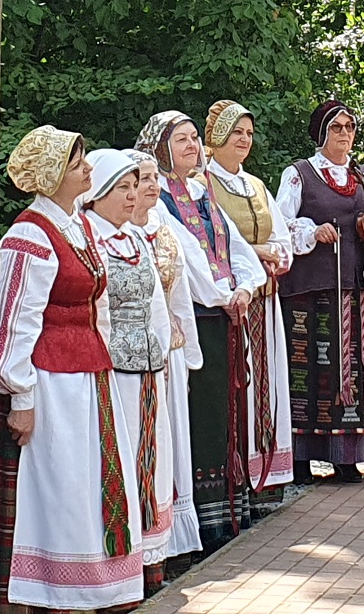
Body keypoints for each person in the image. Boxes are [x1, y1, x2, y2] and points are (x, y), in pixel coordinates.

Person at [0, 128, 143, 612]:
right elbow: (13, 321)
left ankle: (94, 586)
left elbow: (99, 304)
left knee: (89, 480)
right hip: (51, 382)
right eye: (78, 164)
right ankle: (54, 589)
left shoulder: (75, 226)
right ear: (53, 175)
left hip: (88, 376)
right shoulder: (30, 234)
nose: (89, 169)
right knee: (60, 484)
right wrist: (21, 396)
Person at [142, 110, 267, 547]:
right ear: (161, 149)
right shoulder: (157, 199)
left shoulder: (201, 191)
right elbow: (188, 258)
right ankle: (209, 519)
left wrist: (248, 285)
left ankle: (233, 507)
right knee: (206, 416)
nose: (192, 146)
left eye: (195, 138)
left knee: (232, 410)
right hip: (199, 315)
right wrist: (223, 294)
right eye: (182, 140)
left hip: (228, 312)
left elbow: (235, 246)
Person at [276, 100, 364, 484]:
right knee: (309, 372)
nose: (344, 134)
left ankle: (347, 454)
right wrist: (312, 232)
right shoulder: (298, 175)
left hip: (360, 288)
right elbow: (281, 225)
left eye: (349, 127)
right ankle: (301, 459)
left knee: (359, 371)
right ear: (321, 135)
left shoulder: (362, 178)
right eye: (336, 128)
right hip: (312, 291)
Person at [81, 147, 175, 593]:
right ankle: (119, 559)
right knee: (120, 455)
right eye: (123, 187)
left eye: (135, 185)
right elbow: (94, 311)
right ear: (97, 192)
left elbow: (156, 302)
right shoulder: (89, 240)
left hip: (148, 367)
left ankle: (148, 560)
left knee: (149, 457)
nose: (134, 195)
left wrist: (164, 358)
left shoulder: (135, 239)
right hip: (113, 367)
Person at [197, 100, 295, 503]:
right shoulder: (204, 185)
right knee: (245, 382)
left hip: (265, 301)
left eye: (249, 133)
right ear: (217, 136)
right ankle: (242, 473)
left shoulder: (255, 185)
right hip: (234, 300)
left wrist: (276, 255)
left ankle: (268, 471)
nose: (244, 140)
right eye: (237, 132)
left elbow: (284, 239)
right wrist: (258, 252)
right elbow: (212, 243)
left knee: (268, 383)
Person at [130, 147, 204, 564]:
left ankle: (174, 538)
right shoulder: (116, 232)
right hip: (137, 359)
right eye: (141, 179)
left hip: (170, 352)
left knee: (173, 439)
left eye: (154, 177)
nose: (152, 185)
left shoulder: (164, 227)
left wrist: (188, 349)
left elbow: (180, 294)